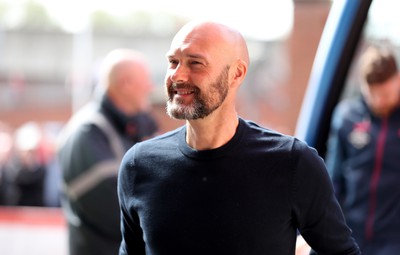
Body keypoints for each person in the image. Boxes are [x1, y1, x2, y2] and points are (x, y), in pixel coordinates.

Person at [117, 20, 360, 255]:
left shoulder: (292, 162)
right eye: (173, 62)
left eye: (195, 63)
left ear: (237, 74)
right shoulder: (139, 165)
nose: (178, 75)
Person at [57, 49, 158, 255]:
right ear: (125, 84)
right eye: (145, 80)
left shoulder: (134, 128)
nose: (151, 87)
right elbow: (113, 209)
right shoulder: (88, 131)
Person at [325, 43, 400, 254]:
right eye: (372, 94)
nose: (379, 101)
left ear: (398, 80)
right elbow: (333, 179)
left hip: (394, 241)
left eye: (385, 94)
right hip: (352, 236)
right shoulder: (346, 117)